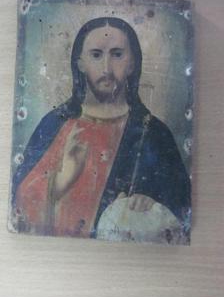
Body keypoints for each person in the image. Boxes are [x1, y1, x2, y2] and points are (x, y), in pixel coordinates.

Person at [12, 17, 191, 240]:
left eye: (117, 54)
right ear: (80, 63)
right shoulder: (55, 124)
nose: (106, 68)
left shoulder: (154, 135)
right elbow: (18, 208)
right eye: (96, 55)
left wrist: (153, 208)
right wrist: (57, 183)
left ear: (132, 63)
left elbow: (182, 213)